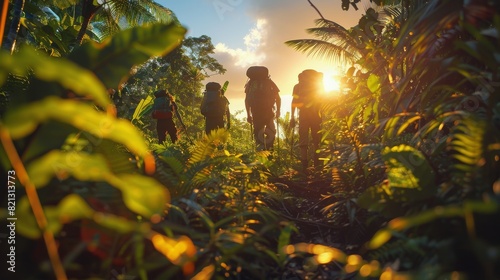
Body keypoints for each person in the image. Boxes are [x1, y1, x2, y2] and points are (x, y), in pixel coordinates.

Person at [290, 69, 324, 173]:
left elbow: (294, 101)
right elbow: (323, 99)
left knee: (303, 139)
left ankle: (304, 166)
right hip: (316, 114)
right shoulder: (318, 85)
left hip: (303, 114)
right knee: (317, 139)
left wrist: (292, 116)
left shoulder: (297, 86)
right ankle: (317, 165)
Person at [245, 66, 281, 151]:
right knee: (271, 133)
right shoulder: (269, 82)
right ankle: (270, 153)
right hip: (269, 112)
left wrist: (248, 114)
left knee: (258, 134)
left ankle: (260, 155)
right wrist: (278, 111)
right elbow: (278, 98)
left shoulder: (250, 83)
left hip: (256, 112)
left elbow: (247, 100)